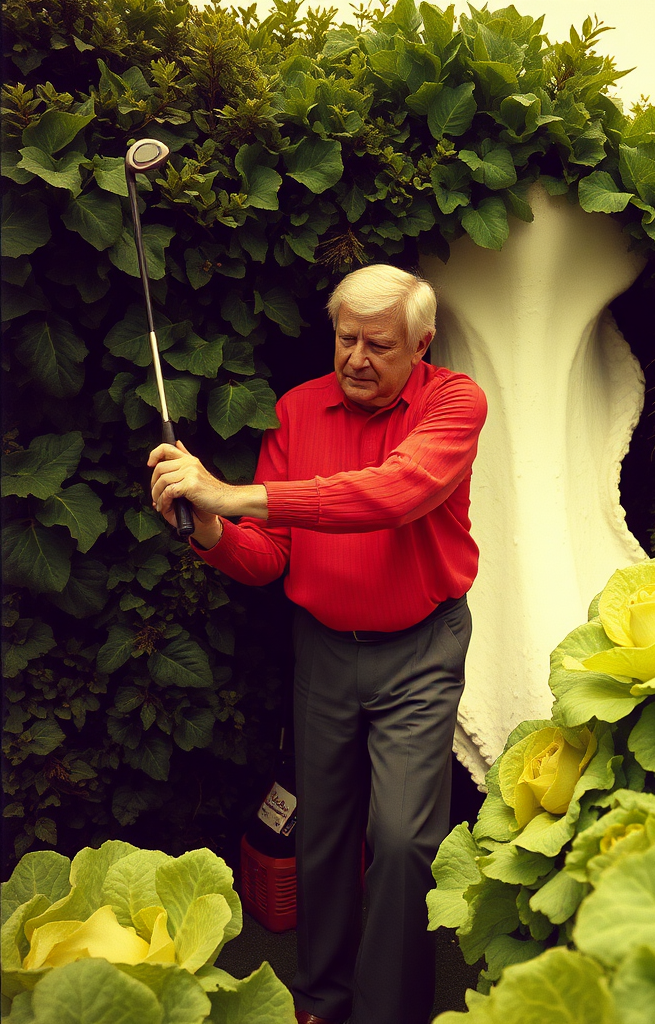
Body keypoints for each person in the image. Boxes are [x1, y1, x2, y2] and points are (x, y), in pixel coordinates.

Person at [148, 264, 487, 1024]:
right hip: (326, 649)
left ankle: (387, 1012)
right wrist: (209, 528)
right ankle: (325, 1002)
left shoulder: (454, 402)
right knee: (325, 838)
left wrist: (230, 494)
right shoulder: (297, 411)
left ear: (422, 345)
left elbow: (396, 492)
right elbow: (270, 556)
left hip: (420, 649)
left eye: (380, 344)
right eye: (346, 338)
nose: (358, 358)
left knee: (401, 839)